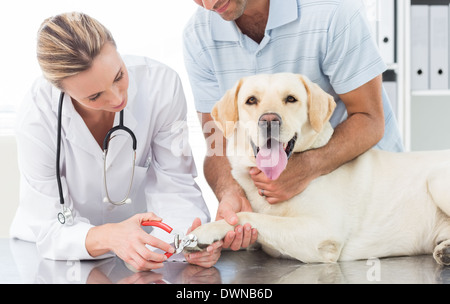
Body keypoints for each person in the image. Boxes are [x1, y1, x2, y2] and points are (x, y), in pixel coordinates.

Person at [10, 12, 222, 271]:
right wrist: (108, 236)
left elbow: (175, 185)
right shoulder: (37, 114)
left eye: (118, 76)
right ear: (61, 89)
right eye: (95, 95)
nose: (116, 99)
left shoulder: (161, 86)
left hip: (136, 254)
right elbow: (48, 225)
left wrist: (189, 242)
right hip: (48, 259)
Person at [183, 0, 404, 247]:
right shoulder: (198, 33)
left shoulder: (333, 11)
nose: (209, 3)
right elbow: (217, 141)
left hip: (372, 201)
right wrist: (229, 192)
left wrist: (308, 166)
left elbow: (370, 119)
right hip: (279, 215)